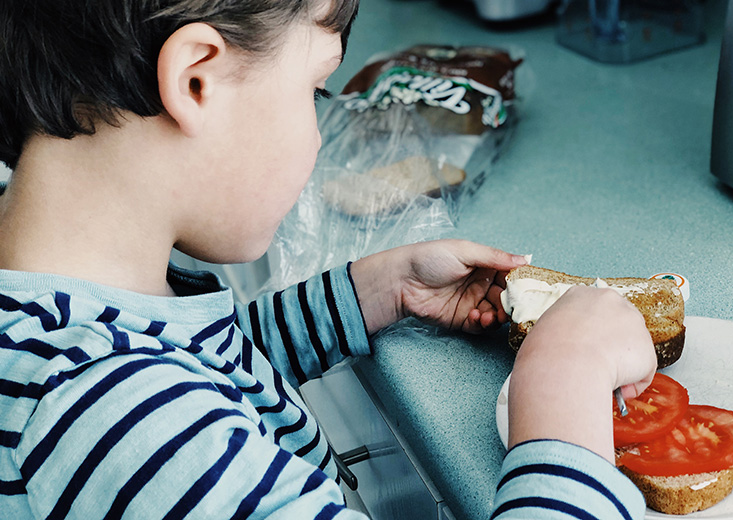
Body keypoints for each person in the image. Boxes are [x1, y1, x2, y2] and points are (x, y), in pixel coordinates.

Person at [0, 0, 657, 518]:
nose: (321, 132)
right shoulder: (114, 416)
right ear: (196, 80)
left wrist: (368, 292)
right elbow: (164, 412)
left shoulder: (61, 309)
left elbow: (200, 373)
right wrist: (563, 391)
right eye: (316, 90)